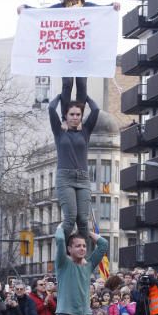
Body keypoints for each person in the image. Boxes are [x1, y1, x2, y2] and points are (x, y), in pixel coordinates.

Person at [49, 95, 99, 244]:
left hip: (83, 179)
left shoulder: (86, 132)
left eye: (78, 114)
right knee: (70, 219)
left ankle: (81, 257)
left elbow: (96, 109)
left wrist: (87, 97)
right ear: (65, 115)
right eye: (72, 114)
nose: (75, 117)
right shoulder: (59, 132)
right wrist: (60, 96)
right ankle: (62, 253)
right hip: (65, 179)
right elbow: (51, 108)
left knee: (83, 220)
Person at [55, 225, 108, 315]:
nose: (82, 248)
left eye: (84, 246)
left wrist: (86, 231)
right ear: (69, 249)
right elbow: (60, 240)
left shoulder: (89, 265)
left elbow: (103, 244)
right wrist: (61, 226)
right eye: (78, 246)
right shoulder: (63, 263)